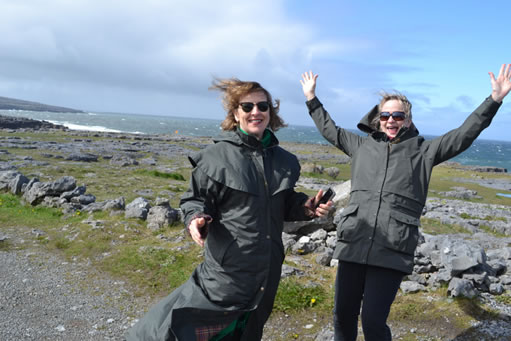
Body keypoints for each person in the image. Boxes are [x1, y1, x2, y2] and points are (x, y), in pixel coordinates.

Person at [300, 64, 511, 341]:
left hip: (393, 247)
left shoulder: (424, 151)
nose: (390, 120)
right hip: (354, 242)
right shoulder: (361, 146)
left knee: (373, 320)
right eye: (385, 115)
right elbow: (330, 130)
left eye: (397, 115)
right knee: (342, 315)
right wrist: (311, 99)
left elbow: (463, 135)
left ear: (408, 120)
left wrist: (493, 100)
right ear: (377, 118)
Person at [126, 78, 333, 341]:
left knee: (248, 331)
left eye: (262, 106)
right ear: (235, 113)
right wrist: (195, 219)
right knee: (186, 328)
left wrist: (306, 207)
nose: (255, 112)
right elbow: (194, 199)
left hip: (266, 271)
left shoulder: (285, 160)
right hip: (227, 273)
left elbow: (283, 203)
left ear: (271, 112)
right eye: (247, 107)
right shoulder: (216, 157)